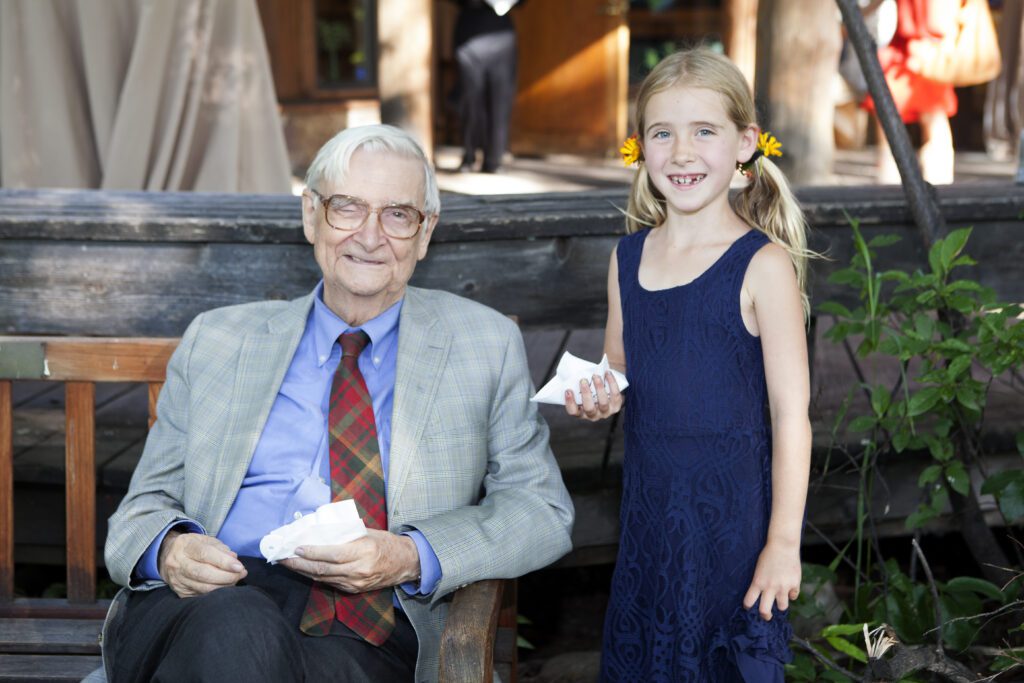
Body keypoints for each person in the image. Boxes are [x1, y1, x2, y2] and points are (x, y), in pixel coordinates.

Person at [99, 124, 574, 683]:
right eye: (347, 207)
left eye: (398, 214)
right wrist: (171, 551)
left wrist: (411, 555)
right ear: (311, 216)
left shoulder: (482, 344)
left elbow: (542, 511)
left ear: (425, 234)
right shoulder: (218, 341)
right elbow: (141, 508)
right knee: (238, 625)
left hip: (367, 627)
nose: (370, 236)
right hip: (203, 604)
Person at [565, 48, 812, 681]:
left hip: (735, 534)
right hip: (651, 529)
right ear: (640, 148)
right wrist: (600, 394)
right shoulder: (626, 259)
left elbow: (793, 415)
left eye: (704, 131)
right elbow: (619, 369)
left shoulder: (763, 265)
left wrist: (783, 545)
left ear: (744, 144)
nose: (681, 152)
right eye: (662, 132)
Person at [863, 0, 959, 184]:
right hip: (908, 48)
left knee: (933, 118)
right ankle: (891, 179)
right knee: (890, 114)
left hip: (927, 46)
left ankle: (939, 183)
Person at [452, 0, 519, 173]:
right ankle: (469, 154)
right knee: (470, 99)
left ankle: (494, 159)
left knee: (500, 99)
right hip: (470, 35)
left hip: (501, 33)